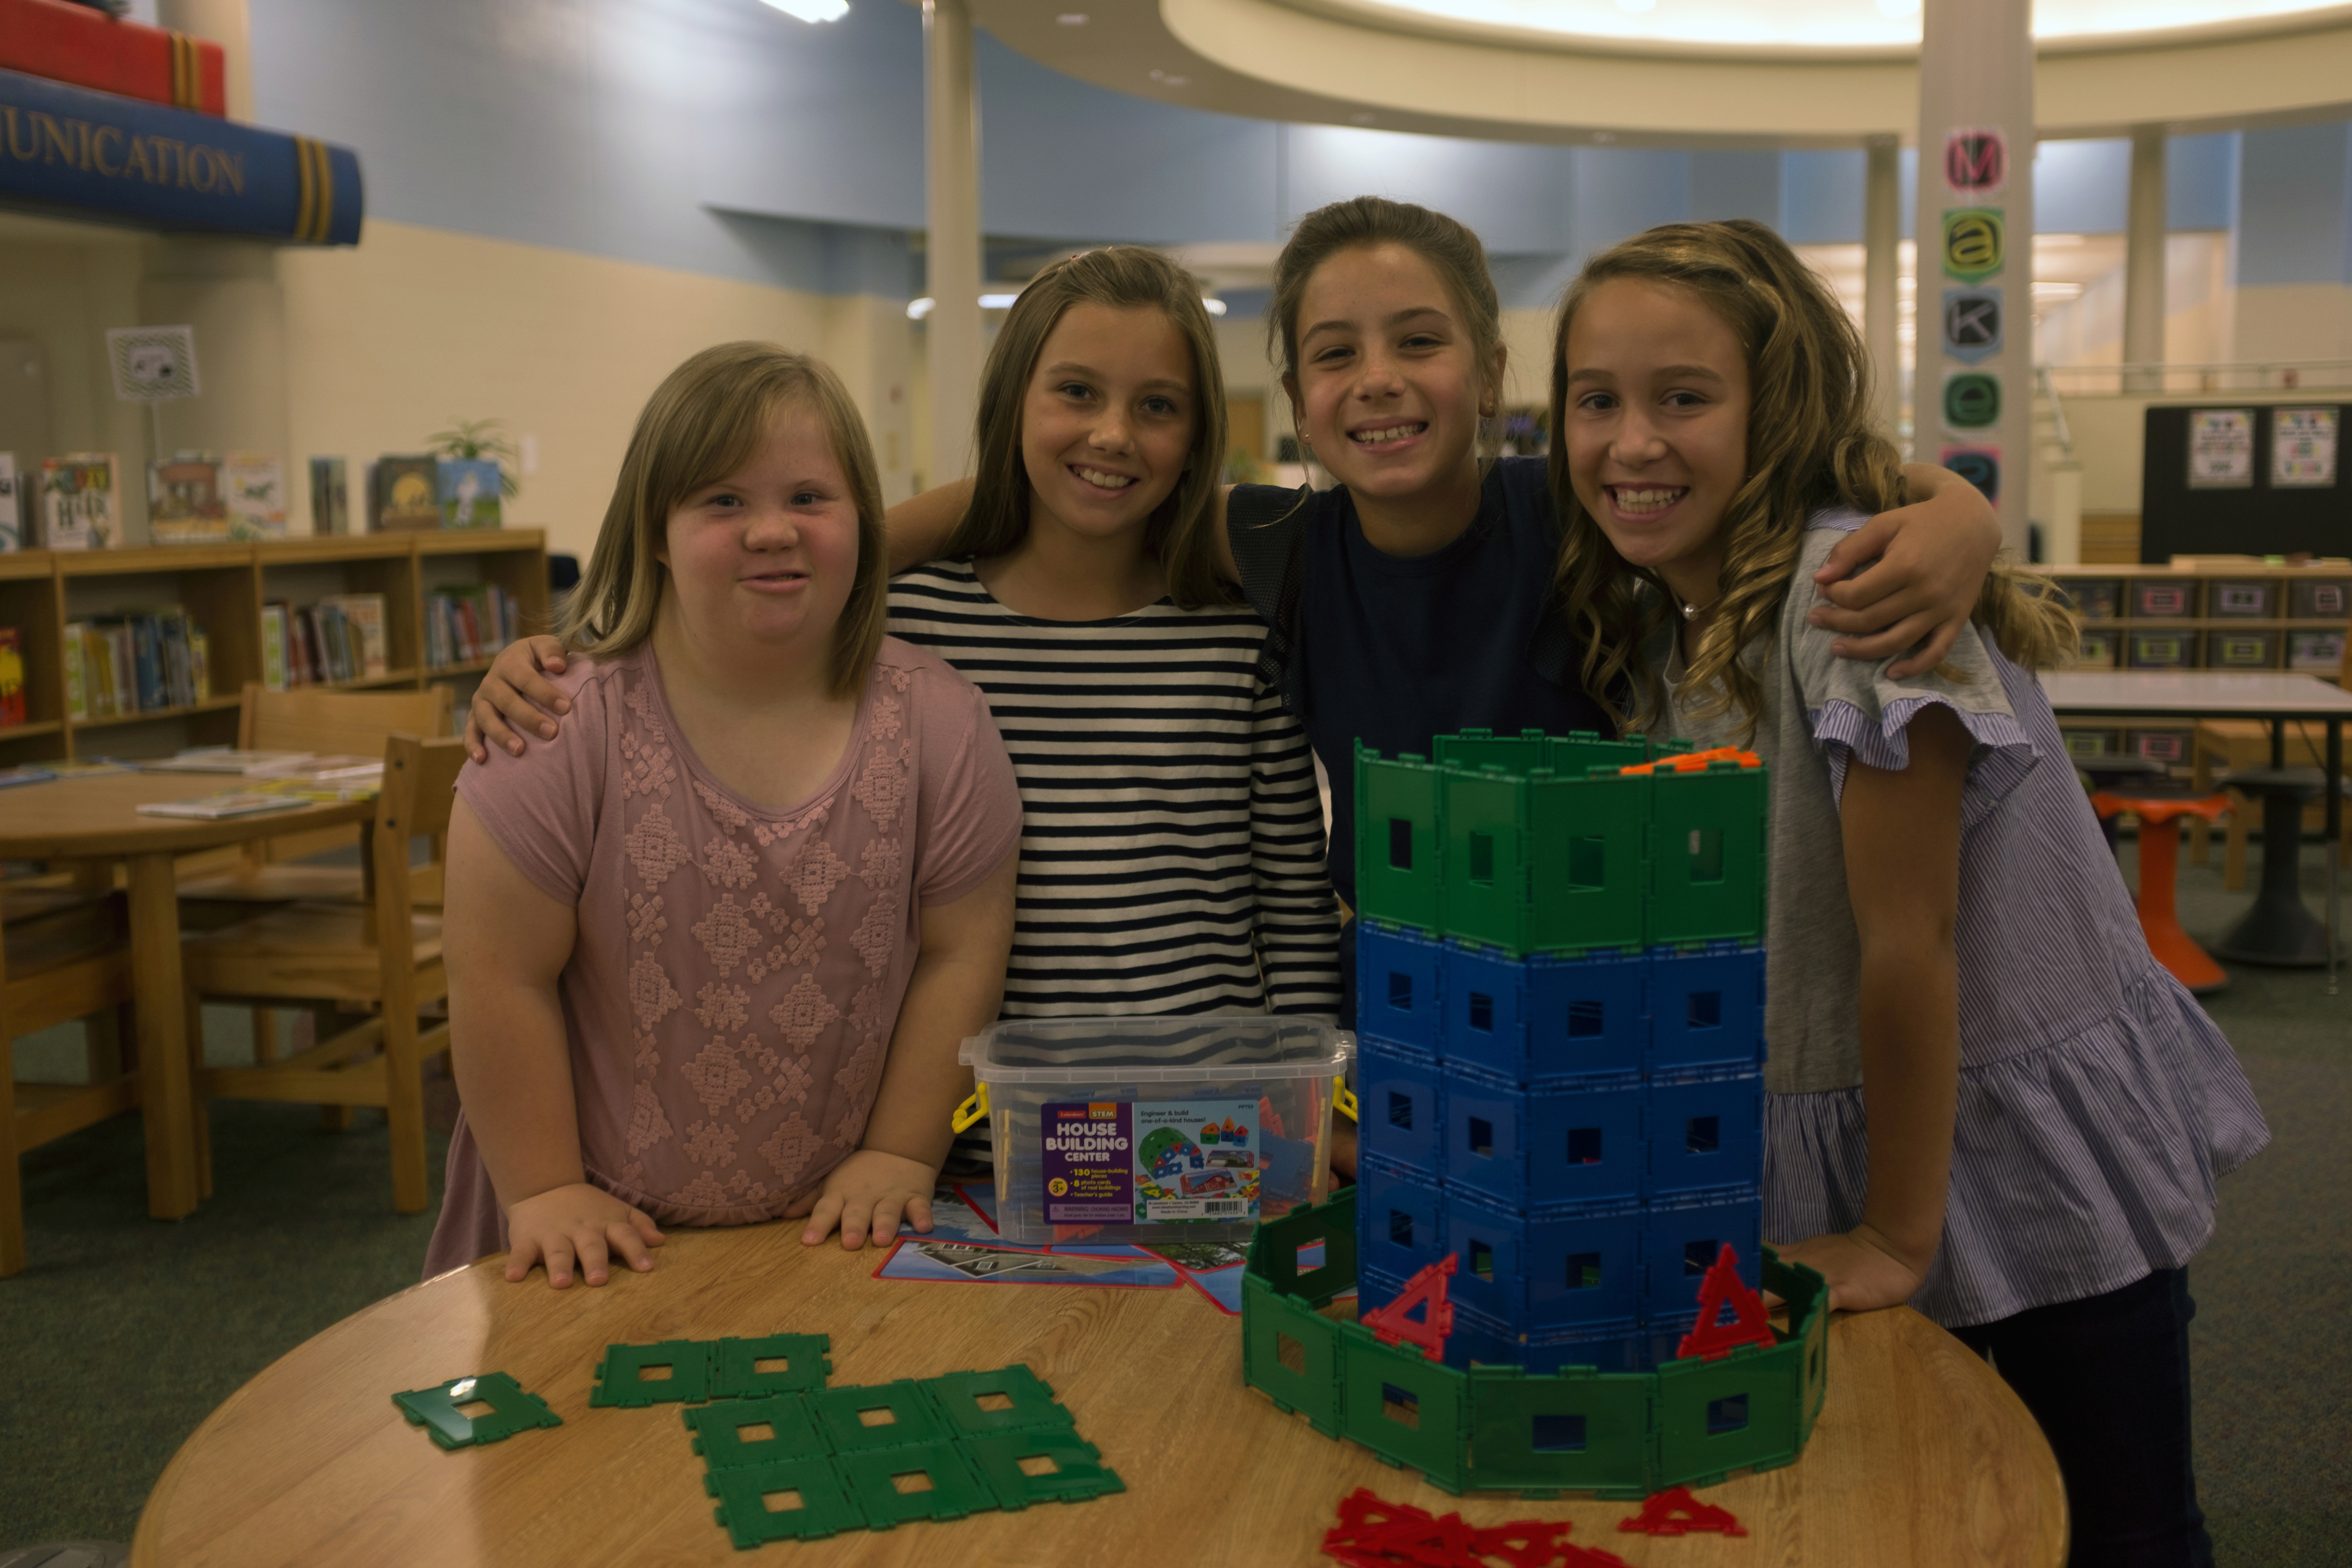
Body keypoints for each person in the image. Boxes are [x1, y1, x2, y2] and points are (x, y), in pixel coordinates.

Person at [1548, 218, 2266, 1568]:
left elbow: (1910, 942)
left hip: (2000, 1168)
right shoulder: (1687, 619)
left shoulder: (1851, 597)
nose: (1632, 444)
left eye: (1684, 399)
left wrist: (1892, 1230)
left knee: (2117, 1534)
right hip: (1888, 1140)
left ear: (1783, 409)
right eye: (1598, 401)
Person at [423, 343, 1022, 1289]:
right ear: (656, 530)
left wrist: (903, 1154)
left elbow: (963, 952)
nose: (772, 531)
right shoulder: (560, 723)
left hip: (839, 1227)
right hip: (584, 1233)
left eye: (810, 499)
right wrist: (543, 1189)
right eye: (723, 501)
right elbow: (497, 974)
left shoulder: (943, 725)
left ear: (864, 522)